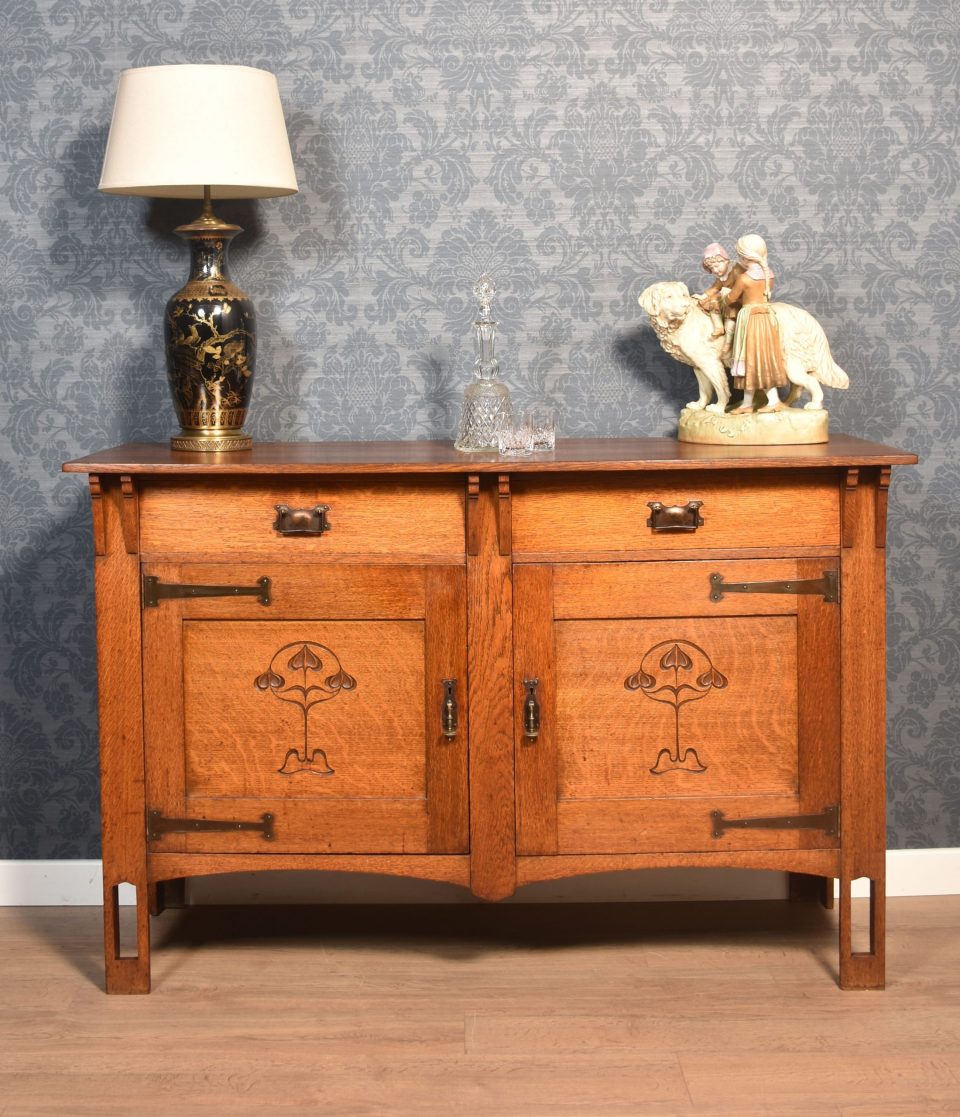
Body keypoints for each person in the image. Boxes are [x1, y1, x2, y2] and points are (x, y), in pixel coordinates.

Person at [723, 234, 788, 413]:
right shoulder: (769, 275)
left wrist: (722, 296)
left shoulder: (745, 278)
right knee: (757, 360)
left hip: (750, 321)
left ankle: (769, 402)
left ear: (745, 256)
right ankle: (747, 404)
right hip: (766, 319)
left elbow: (731, 298)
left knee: (749, 359)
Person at [693, 243, 742, 356]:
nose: (714, 270)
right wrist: (702, 297)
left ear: (725, 261)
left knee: (731, 317)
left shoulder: (736, 270)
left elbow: (743, 285)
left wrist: (731, 292)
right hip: (725, 299)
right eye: (711, 268)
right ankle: (719, 327)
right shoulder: (722, 275)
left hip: (737, 300)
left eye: (716, 266)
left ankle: (728, 343)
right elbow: (715, 288)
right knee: (713, 300)